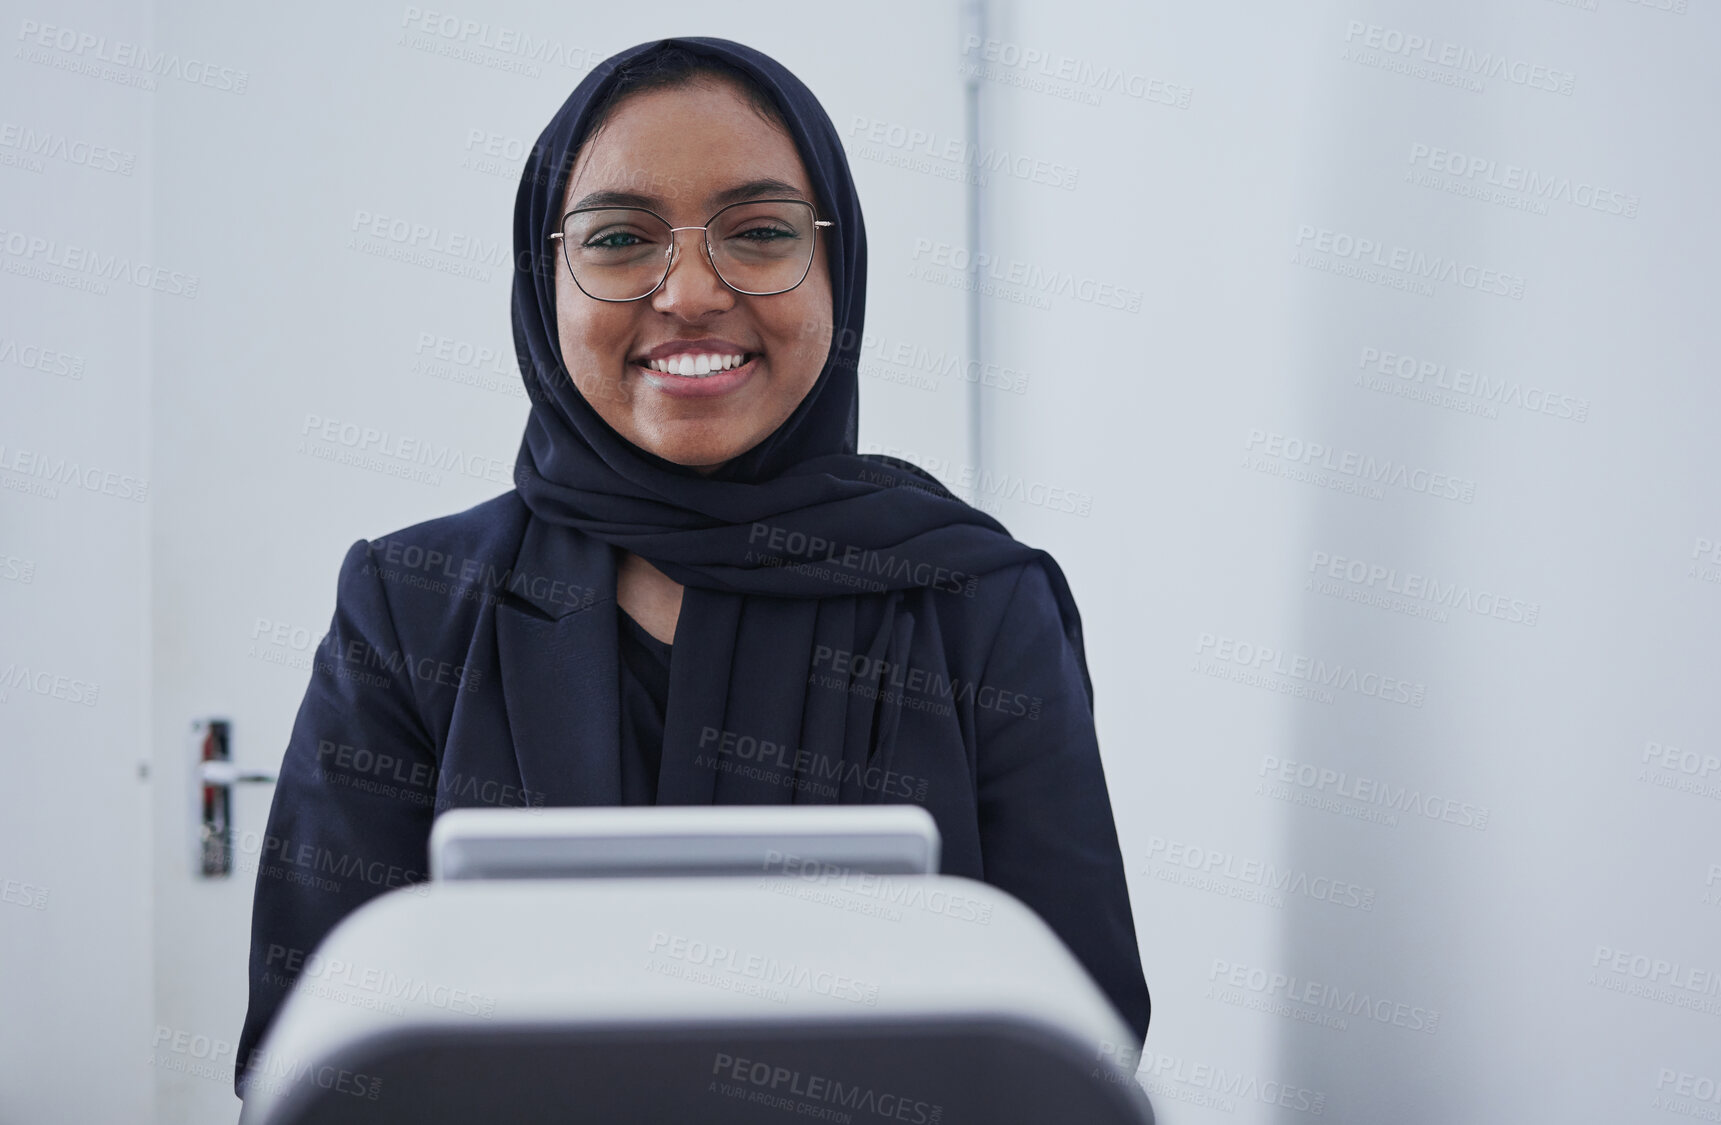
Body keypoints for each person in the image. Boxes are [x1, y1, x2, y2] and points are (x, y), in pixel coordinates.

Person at [233, 36, 1148, 1099]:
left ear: (835, 266)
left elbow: (1080, 1042)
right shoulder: (409, 608)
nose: (691, 292)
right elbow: (304, 1052)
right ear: (547, 280)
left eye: (757, 233)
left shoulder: (977, 604)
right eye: (620, 239)